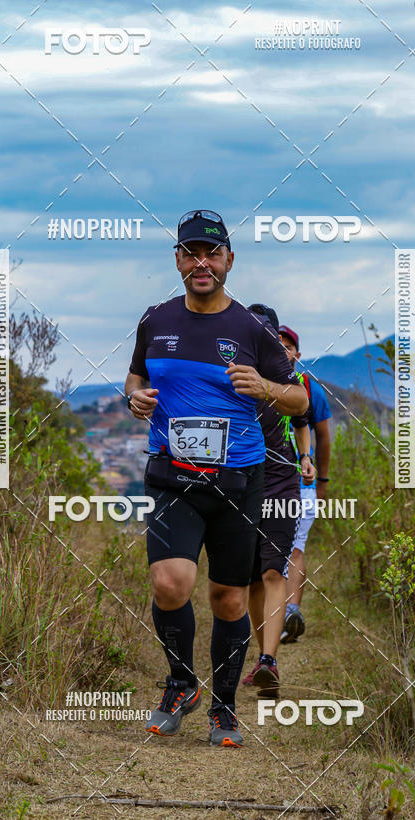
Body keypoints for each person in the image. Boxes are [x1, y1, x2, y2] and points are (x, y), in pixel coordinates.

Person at [124, 210, 308, 746]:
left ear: (229, 260)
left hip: (237, 482)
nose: (201, 262)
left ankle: (224, 707)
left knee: (228, 598)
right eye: (190, 253)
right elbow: (137, 375)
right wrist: (134, 396)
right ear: (178, 260)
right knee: (168, 582)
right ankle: (181, 683)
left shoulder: (251, 329)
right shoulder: (156, 320)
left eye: (212, 253)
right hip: (172, 476)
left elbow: (298, 397)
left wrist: (263, 387)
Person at [241, 305, 315, 697]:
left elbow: (302, 420)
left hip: (282, 482)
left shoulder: (288, 379)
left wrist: (306, 458)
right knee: (253, 579)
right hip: (240, 482)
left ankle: (269, 661)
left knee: (274, 571)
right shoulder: (233, 374)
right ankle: (261, 657)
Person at [278, 324, 332, 644]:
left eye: (288, 347)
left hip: (302, 481)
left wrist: (322, 481)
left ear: (298, 355)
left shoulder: (310, 388)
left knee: (295, 546)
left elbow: (323, 436)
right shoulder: (259, 386)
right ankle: (277, 612)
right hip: (265, 480)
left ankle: (291, 612)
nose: (283, 351)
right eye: (278, 346)